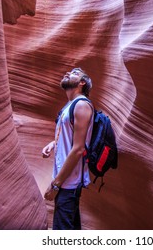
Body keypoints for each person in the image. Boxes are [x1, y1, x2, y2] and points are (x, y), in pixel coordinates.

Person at [42, 67, 94, 230]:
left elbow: (78, 149)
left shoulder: (82, 105)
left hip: (68, 183)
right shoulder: (70, 105)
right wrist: (54, 143)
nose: (67, 73)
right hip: (65, 180)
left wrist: (56, 185)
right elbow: (70, 136)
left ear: (82, 82)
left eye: (74, 73)